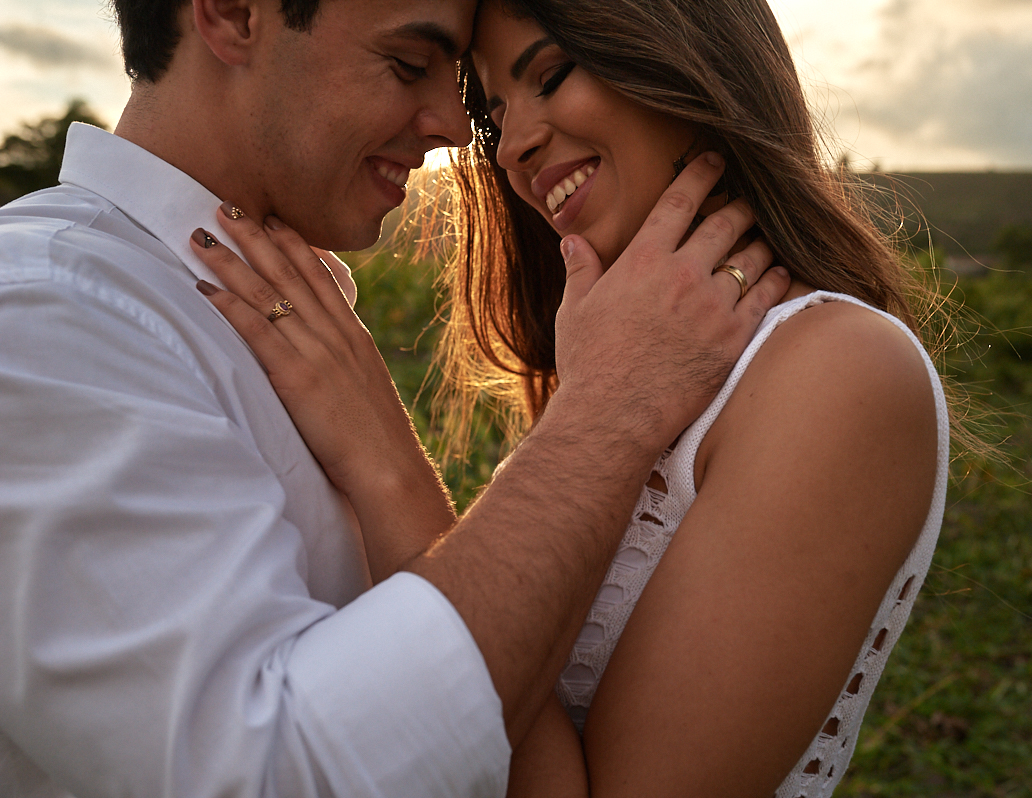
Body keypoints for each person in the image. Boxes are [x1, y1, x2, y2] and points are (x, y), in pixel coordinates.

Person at [0, 0, 790, 794]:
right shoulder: (44, 309)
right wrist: (608, 413)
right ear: (235, 15)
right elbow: (270, 775)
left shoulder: (277, 316)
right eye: (409, 64)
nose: (457, 126)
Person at [190, 0, 969, 796]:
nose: (513, 146)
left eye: (553, 75)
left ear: (683, 52)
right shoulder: (634, 360)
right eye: (492, 118)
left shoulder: (837, 370)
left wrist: (385, 459)